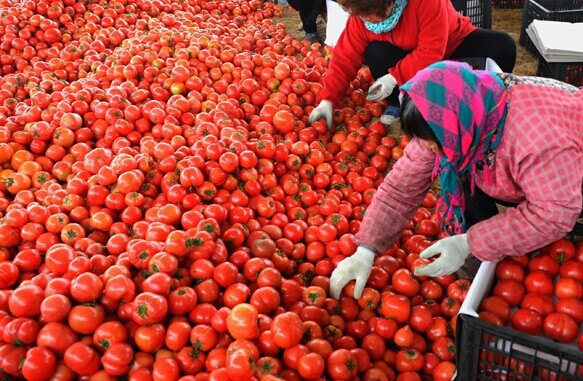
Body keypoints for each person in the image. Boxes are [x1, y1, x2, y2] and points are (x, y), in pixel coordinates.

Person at [329, 61, 583, 300]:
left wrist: (471, 242)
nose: (428, 148)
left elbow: (553, 213)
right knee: (457, 167)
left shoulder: (535, 139)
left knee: (557, 212)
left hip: (571, 158)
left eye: (434, 144)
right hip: (526, 157)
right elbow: (400, 188)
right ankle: (489, 250)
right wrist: (366, 249)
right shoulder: (452, 112)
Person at [308, 0, 517, 127]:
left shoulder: (425, 3)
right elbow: (344, 57)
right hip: (405, 54)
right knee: (376, 52)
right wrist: (328, 99)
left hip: (451, 46)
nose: (374, 25)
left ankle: (481, 100)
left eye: (379, 19)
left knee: (503, 45)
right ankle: (396, 102)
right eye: (367, 20)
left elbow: (431, 51)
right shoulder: (361, 18)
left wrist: (395, 77)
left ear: (391, 3)